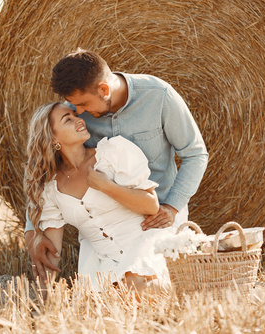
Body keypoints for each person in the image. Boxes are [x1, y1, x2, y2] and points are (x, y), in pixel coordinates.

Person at [25, 49, 208, 280]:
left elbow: (195, 154)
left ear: (104, 89)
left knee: (137, 283)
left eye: (82, 105)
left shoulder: (159, 96)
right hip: (106, 219)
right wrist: (32, 231)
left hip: (158, 213)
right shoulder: (77, 108)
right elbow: (44, 164)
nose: (78, 113)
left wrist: (172, 207)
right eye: (73, 109)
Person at [24, 101, 172, 293]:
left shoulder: (112, 152)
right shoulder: (51, 189)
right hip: (103, 262)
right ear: (53, 139)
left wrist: (106, 186)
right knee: (103, 302)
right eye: (68, 119)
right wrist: (45, 296)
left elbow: (151, 206)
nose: (79, 120)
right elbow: (53, 252)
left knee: (134, 286)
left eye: (75, 115)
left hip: (142, 243)